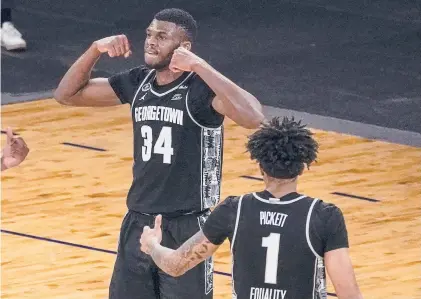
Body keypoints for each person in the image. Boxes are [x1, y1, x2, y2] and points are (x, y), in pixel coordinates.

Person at [54, 7, 264, 299]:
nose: (151, 41)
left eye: (162, 37)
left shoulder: (202, 89)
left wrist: (200, 66)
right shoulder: (139, 81)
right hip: (138, 221)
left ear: (184, 47)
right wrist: (94, 50)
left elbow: (254, 117)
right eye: (149, 34)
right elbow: (66, 95)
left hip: (188, 225)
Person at [140, 116, 364, 299]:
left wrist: (152, 245)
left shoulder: (234, 210)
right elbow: (348, 293)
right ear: (303, 166)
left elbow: (176, 265)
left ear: (260, 166)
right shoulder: (324, 215)